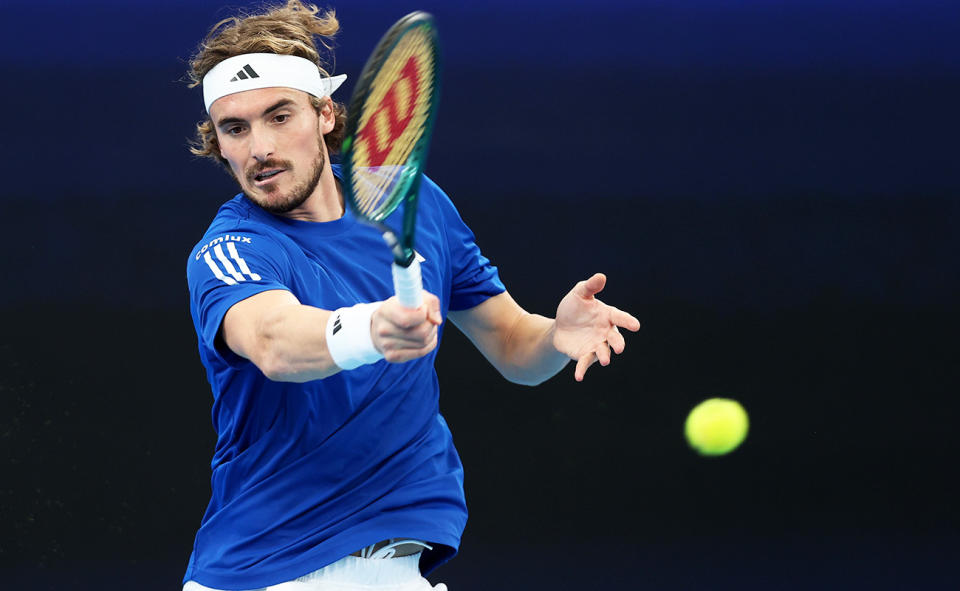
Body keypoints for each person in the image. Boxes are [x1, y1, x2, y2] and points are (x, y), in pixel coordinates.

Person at [182, 2, 641, 590]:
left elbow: (509, 341)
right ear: (217, 144)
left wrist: (555, 336)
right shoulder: (232, 248)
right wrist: (371, 329)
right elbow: (273, 341)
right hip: (270, 575)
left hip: (400, 570)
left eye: (278, 116)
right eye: (235, 129)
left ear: (324, 114)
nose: (259, 148)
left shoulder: (412, 201)